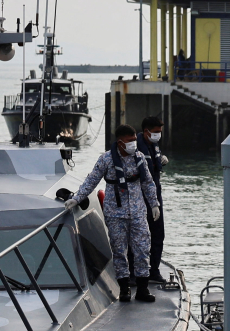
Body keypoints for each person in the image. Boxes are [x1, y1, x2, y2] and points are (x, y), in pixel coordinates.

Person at [67, 124, 160, 303]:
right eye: (130, 141)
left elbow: (148, 182)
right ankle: (124, 288)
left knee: (142, 249)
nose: (134, 144)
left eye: (135, 140)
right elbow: (92, 179)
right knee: (119, 251)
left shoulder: (139, 158)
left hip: (138, 212)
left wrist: (154, 204)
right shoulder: (106, 160)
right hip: (115, 212)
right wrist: (77, 198)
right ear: (120, 142)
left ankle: (142, 288)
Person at [136, 115, 168, 279]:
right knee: (139, 236)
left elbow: (154, 166)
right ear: (146, 131)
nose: (158, 135)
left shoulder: (154, 146)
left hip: (156, 195)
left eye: (159, 132)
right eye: (155, 132)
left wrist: (161, 160)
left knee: (158, 234)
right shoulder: (135, 148)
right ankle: (136, 272)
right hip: (140, 198)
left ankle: (154, 270)